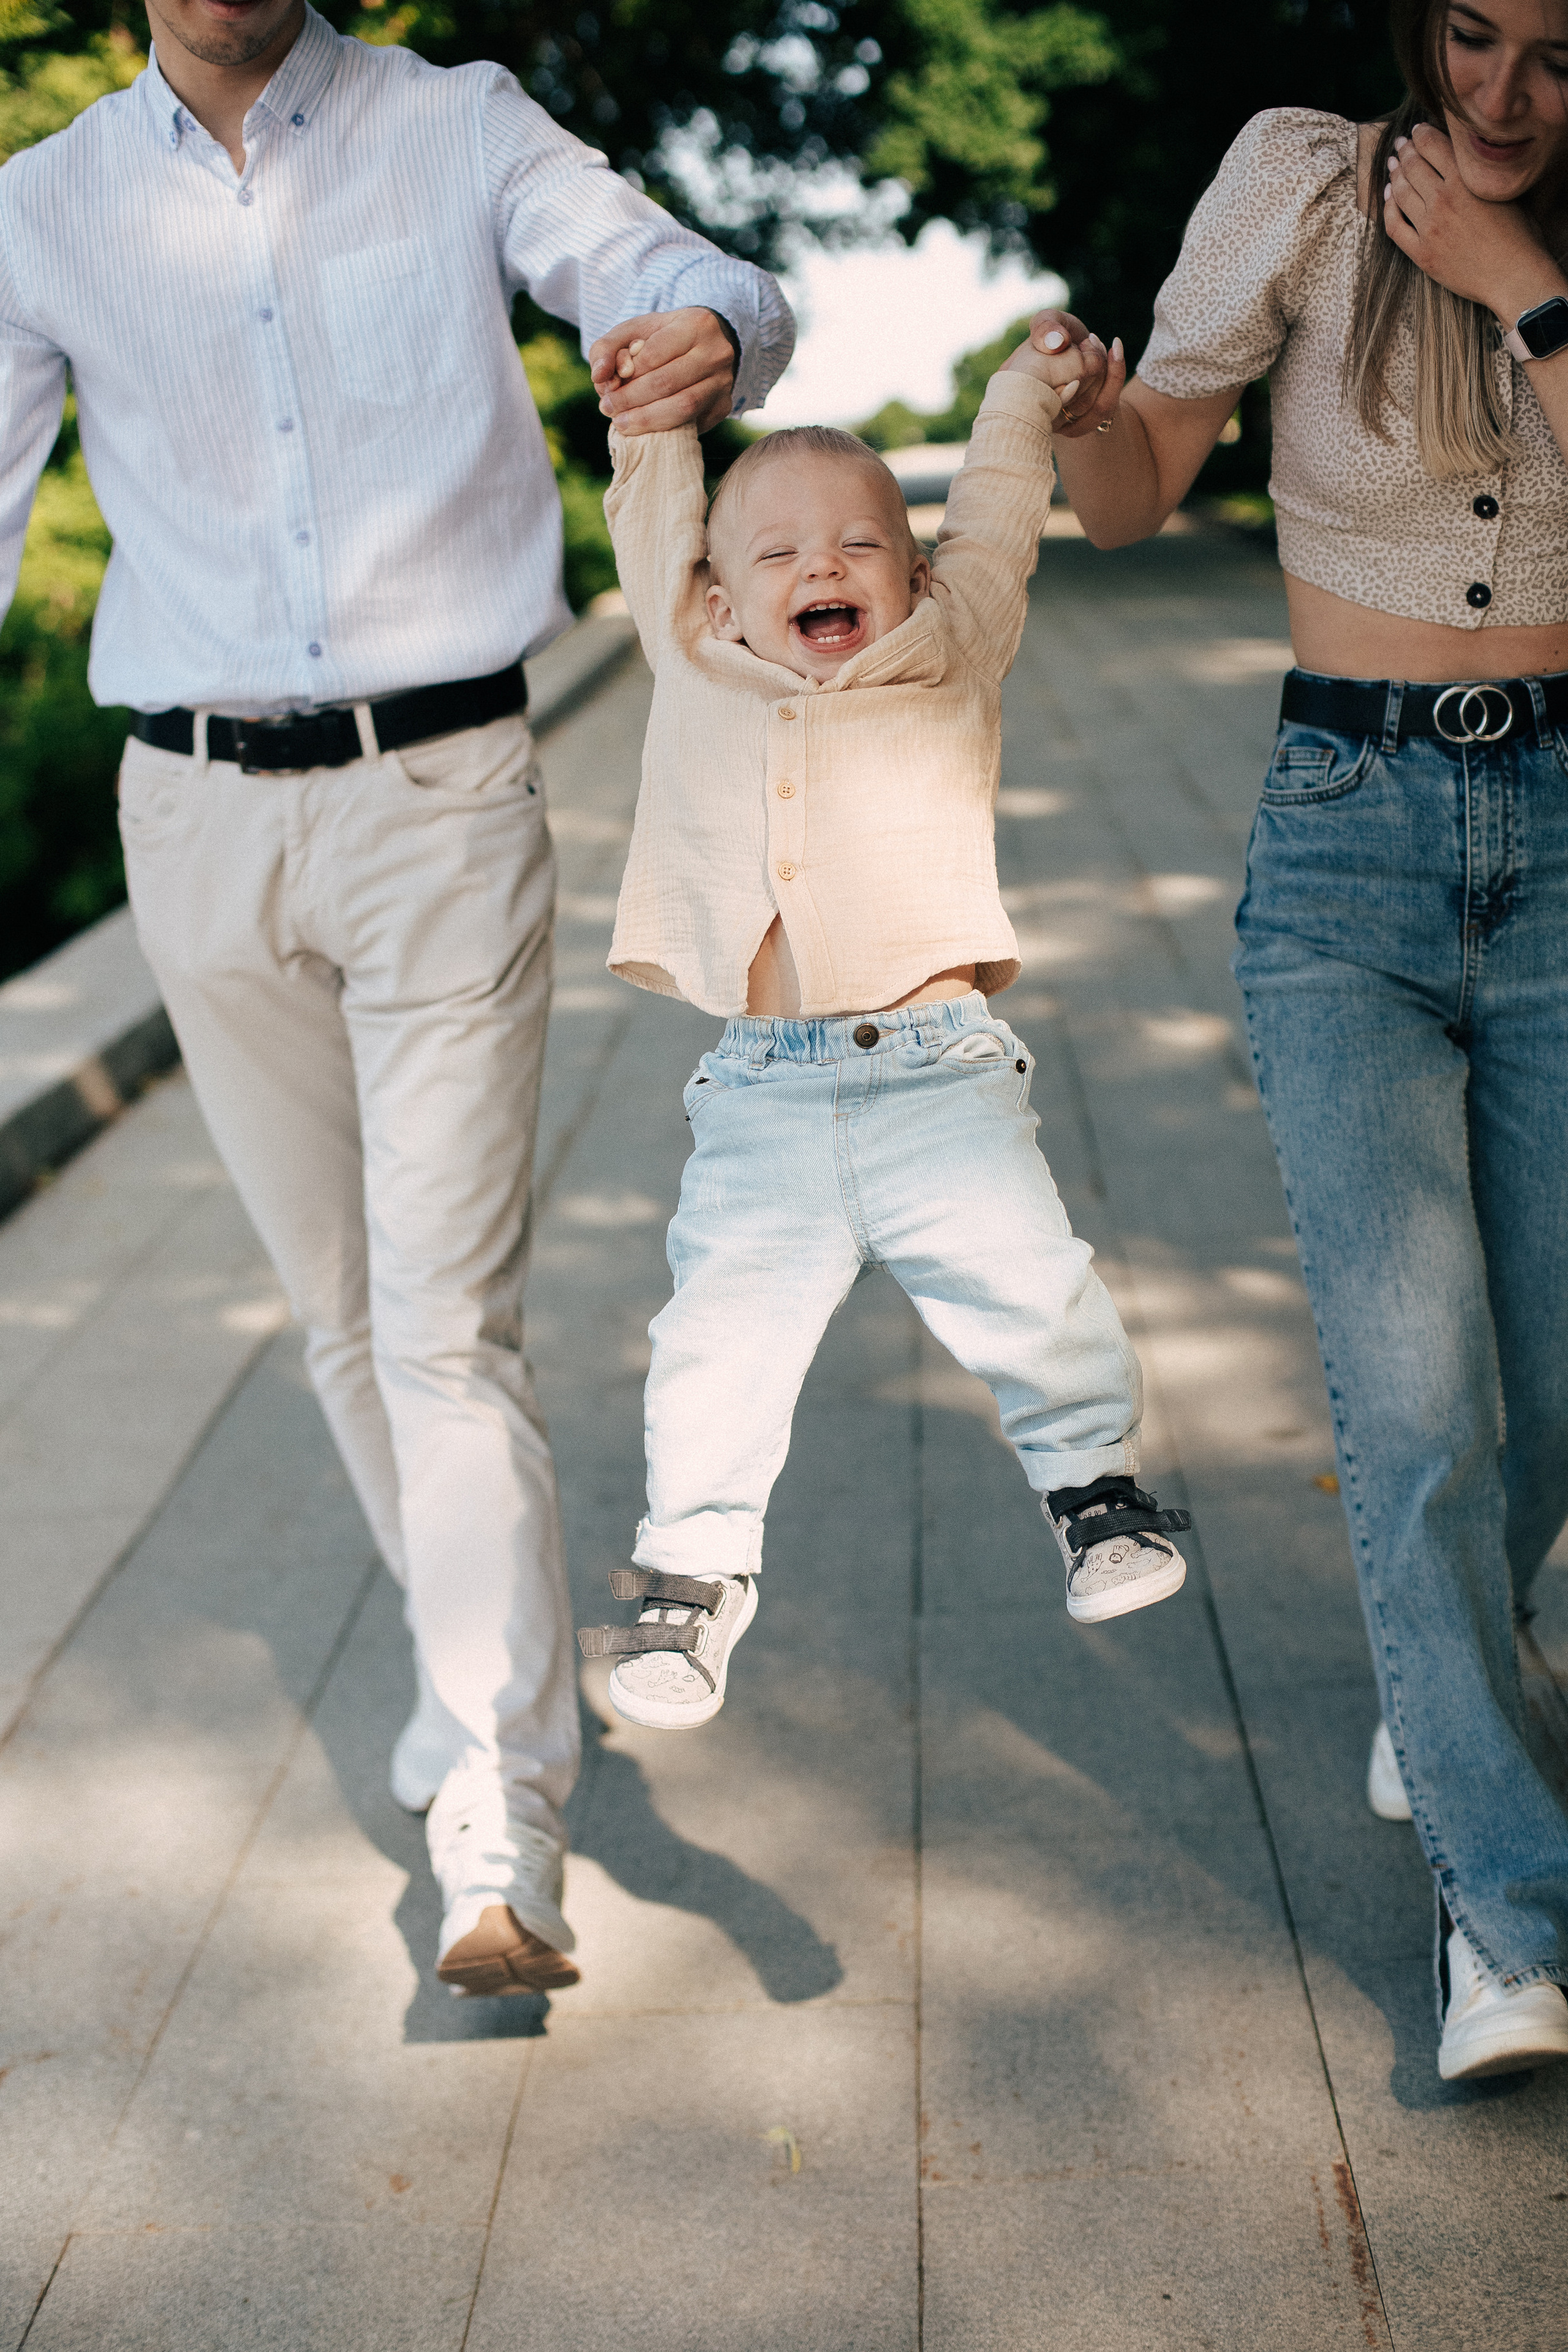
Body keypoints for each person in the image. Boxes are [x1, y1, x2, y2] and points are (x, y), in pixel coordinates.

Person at [0, 0, 793, 1997]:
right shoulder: (47, 207)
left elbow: (671, 269)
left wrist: (717, 331)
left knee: (445, 1329)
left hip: (440, 792)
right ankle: (494, 1697)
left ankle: (495, 1816)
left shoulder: (459, 127)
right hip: (191, 819)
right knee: (349, 1322)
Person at [1029, 0, 1568, 2081]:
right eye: (1474, 37)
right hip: (1343, 847)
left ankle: (1448, 1693)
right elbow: (1135, 495)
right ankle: (1505, 1920)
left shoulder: (1551, 232)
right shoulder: (1294, 178)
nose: (1506, 95)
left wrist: (1525, 292)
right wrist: (1090, 406)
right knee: (1421, 1404)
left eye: (1556, 55)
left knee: (1547, 1384)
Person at [573, 320, 1193, 1732]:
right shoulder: (692, 650)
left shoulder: (951, 642)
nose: (822, 571)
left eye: (858, 545)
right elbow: (657, 500)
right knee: (713, 1340)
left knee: (1031, 1284)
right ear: (716, 594)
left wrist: (1022, 392)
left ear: (914, 578)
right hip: (761, 1094)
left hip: (940, 1077)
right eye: (778, 556)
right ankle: (695, 1570)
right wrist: (653, 414)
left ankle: (1094, 1492)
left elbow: (992, 506)